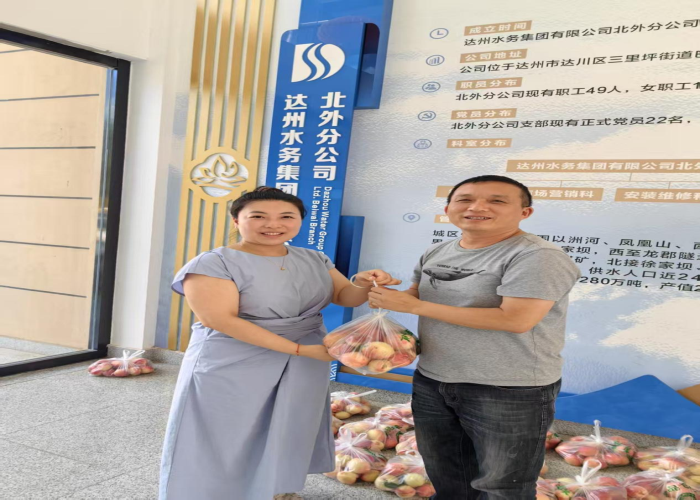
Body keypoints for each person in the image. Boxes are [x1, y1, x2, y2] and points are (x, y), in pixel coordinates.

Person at [159, 186, 400, 500]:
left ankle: (276, 489)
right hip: (234, 358)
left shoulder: (314, 258)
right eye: (258, 216)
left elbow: (344, 295)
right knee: (225, 430)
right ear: (236, 220)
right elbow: (220, 319)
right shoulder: (213, 262)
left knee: (291, 424)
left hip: (305, 357)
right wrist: (299, 350)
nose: (273, 224)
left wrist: (363, 283)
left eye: (286, 216)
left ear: (299, 221)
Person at [368, 175, 581, 499]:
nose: (477, 207)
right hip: (434, 379)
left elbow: (516, 319)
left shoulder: (538, 256)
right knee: (447, 473)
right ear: (447, 209)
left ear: (525, 212)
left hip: (508, 388)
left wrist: (415, 305)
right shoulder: (438, 251)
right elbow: (417, 295)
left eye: (497, 200)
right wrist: (380, 287)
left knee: (502, 486)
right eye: (465, 199)